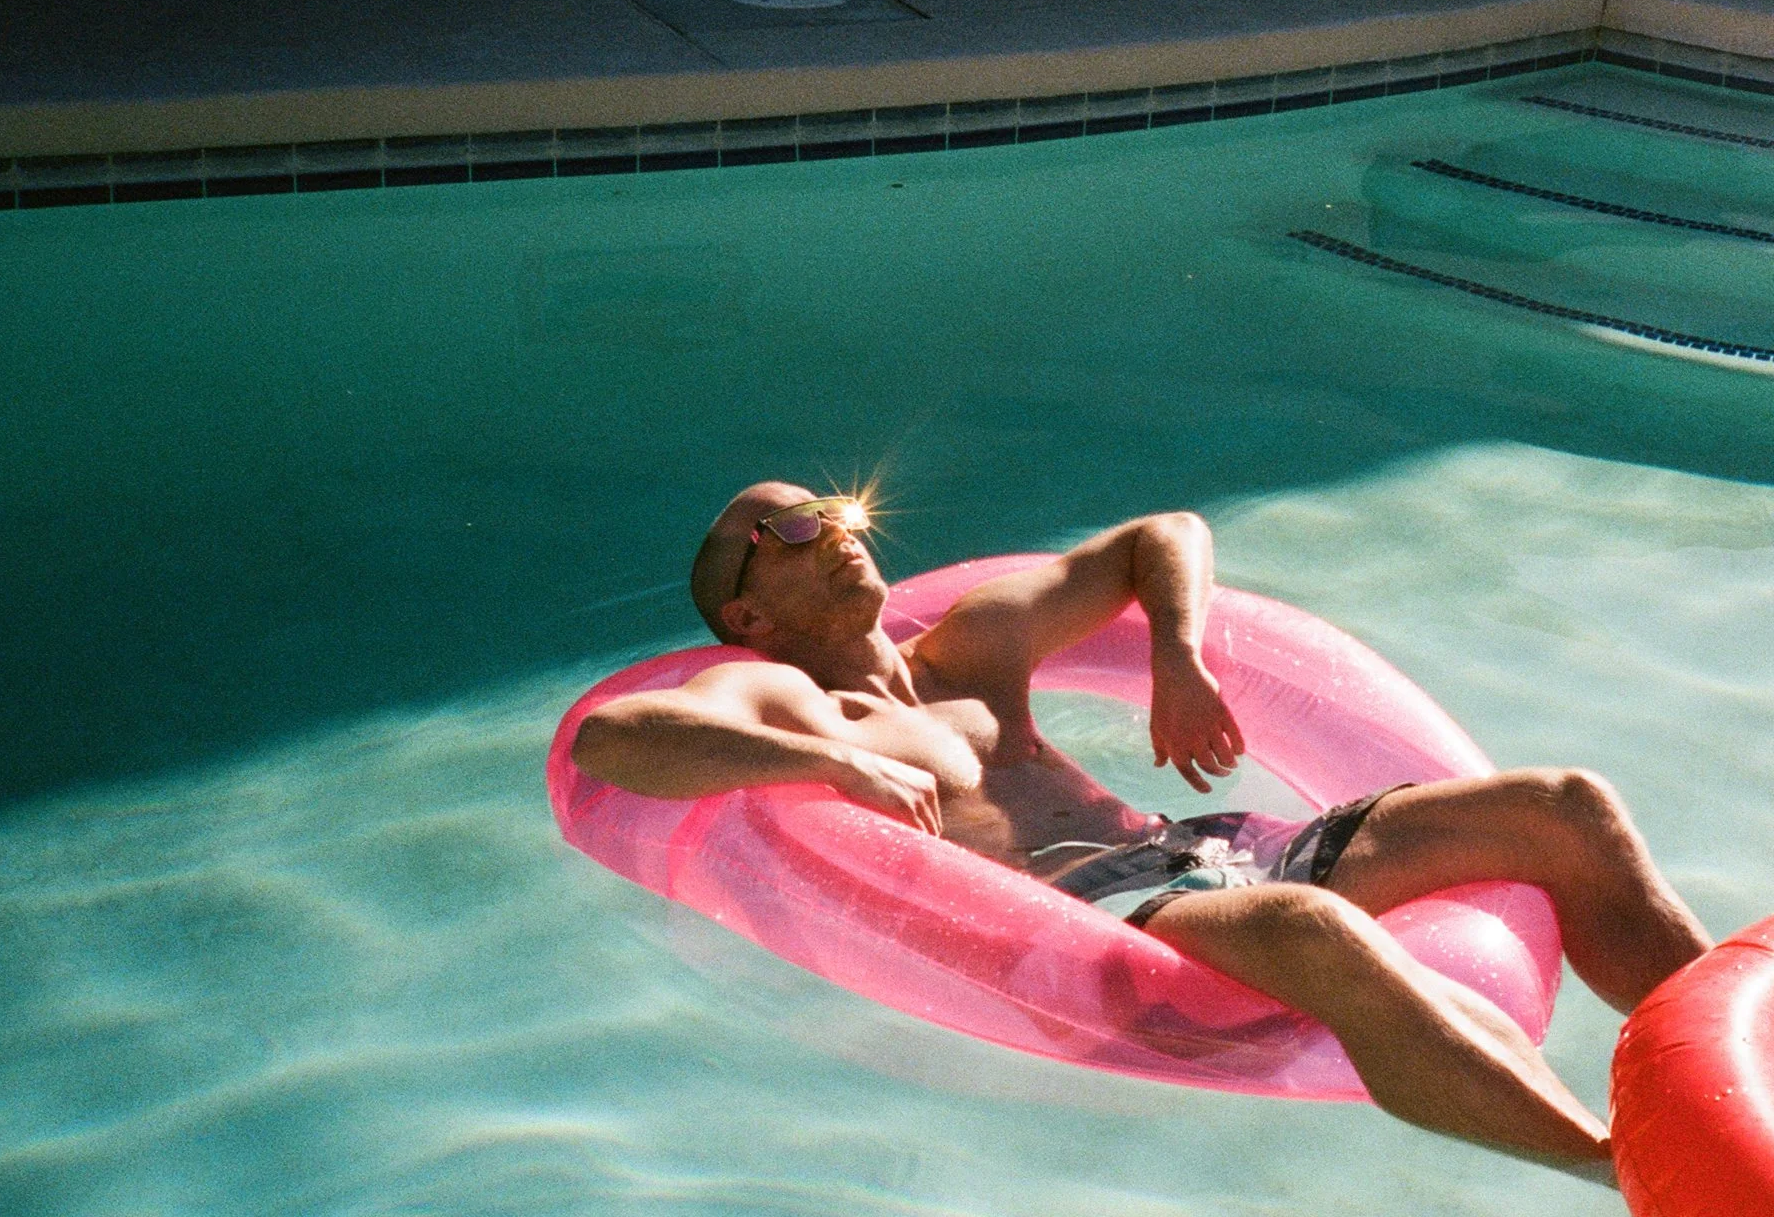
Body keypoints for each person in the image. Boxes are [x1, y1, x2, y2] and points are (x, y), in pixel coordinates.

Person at [571, 481, 1714, 1177]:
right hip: (1103, 904)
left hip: (1215, 843)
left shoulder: (968, 647)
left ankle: (1773, 1091)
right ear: (746, 613)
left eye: (842, 507)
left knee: (1563, 805)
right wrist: (824, 760)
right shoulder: (796, 703)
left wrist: (1177, 648)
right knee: (1314, 932)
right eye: (792, 524)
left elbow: (1159, 534)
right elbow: (614, 741)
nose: (840, 525)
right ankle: (1629, 1173)